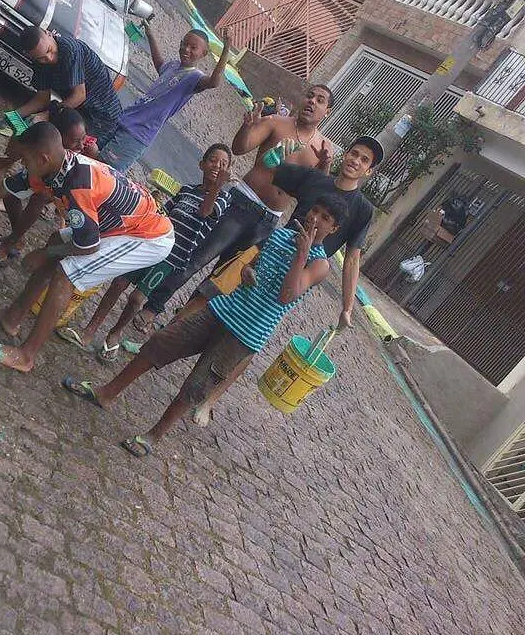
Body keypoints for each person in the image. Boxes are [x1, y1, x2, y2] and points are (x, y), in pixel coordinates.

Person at [62, 194, 349, 457]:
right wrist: (248, 272)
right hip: (222, 309)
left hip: (245, 334)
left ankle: (153, 436)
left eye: (325, 218)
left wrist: (302, 253)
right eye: (314, 210)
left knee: (197, 385)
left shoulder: (319, 264)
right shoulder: (281, 235)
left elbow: (287, 295)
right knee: (160, 343)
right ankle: (107, 393)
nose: (315, 219)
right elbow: (254, 265)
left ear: (333, 229)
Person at [0, 122, 174, 373]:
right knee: (56, 241)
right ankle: (12, 318)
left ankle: (26, 355)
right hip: (117, 223)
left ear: (42, 158)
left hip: (147, 237)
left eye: (25, 160)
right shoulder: (51, 168)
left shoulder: (76, 185)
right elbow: (0, 188)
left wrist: (44, 254)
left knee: (66, 273)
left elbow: (86, 246)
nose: (22, 165)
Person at [182, 134, 383, 426]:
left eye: (364, 160)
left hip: (298, 275)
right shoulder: (317, 180)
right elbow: (272, 170)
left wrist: (348, 307)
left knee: (251, 339)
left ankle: (210, 400)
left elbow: (352, 257)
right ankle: (167, 338)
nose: (356, 160)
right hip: (268, 253)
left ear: (369, 171)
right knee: (209, 292)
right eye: (354, 153)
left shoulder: (363, 210)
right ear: (345, 154)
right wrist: (277, 155)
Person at [133, 86, 336, 333]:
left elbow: (316, 193)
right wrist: (247, 126)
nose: (312, 102)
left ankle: (179, 325)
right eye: (309, 96)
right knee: (198, 256)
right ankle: (153, 307)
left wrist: (324, 166)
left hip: (269, 221)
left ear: (327, 111)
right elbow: (240, 147)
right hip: (243, 203)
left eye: (320, 100)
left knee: (223, 277)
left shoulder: (321, 149)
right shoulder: (277, 123)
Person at [58, 143, 233, 360]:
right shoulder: (187, 190)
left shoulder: (223, 200)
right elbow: (164, 212)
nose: (217, 166)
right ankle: (89, 331)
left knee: (137, 297)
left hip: (171, 258)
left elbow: (205, 212)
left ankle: (114, 335)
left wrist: (217, 188)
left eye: (223, 164)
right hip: (149, 242)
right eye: (213, 160)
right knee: (118, 284)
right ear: (202, 164)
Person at [0, 108, 99, 266]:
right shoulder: (37, 142)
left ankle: (8, 246)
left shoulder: (86, 149)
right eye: (76, 141)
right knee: (10, 193)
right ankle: (16, 240)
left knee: (38, 199)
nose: (81, 144)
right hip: (44, 170)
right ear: (57, 139)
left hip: (69, 188)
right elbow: (5, 160)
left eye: (83, 138)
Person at [99, 26, 231, 172]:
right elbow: (160, 64)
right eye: (184, 44)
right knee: (89, 154)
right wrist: (150, 35)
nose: (186, 49)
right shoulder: (173, 66)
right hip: (124, 119)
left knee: (104, 171)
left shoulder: (194, 77)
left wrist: (226, 49)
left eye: (193, 48)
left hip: (136, 134)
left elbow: (214, 82)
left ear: (203, 53)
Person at [0, 26, 122, 145]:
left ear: (49, 34)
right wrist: (14, 115)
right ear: (31, 56)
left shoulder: (71, 51)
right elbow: (42, 99)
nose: (49, 58)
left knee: (67, 146)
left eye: (49, 50)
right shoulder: (38, 63)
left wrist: (46, 115)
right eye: (41, 58)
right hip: (78, 109)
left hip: (102, 115)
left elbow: (79, 95)